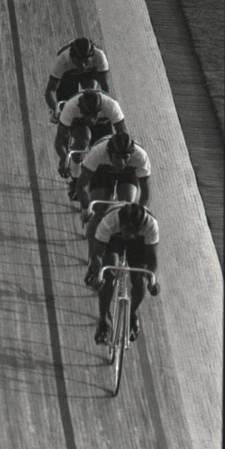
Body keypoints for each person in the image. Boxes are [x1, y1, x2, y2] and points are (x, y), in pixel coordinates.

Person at [88, 202, 161, 345]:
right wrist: (98, 277)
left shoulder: (151, 225)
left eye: (134, 230)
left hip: (138, 243)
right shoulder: (110, 221)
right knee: (109, 274)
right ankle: (103, 322)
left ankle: (131, 314)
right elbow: (96, 254)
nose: (130, 234)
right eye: (128, 229)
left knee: (140, 280)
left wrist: (152, 281)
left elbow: (152, 258)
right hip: (115, 239)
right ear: (121, 222)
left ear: (140, 227)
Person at [76, 133, 152, 264]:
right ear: (109, 153)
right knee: (98, 212)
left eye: (126, 158)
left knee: (128, 207)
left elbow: (146, 193)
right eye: (117, 157)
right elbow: (81, 186)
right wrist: (86, 208)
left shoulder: (140, 157)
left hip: (128, 174)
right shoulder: (97, 154)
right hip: (103, 172)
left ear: (131, 155)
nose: (121, 162)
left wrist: (139, 213)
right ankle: (91, 255)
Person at [55, 89, 127, 199]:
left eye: (94, 115)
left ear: (101, 108)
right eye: (88, 115)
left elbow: (123, 137)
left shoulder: (111, 106)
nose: (91, 119)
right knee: (83, 140)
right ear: (80, 109)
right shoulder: (70, 107)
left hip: (103, 122)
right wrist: (64, 158)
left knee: (108, 150)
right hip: (79, 122)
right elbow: (60, 138)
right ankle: (75, 179)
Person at [45, 37, 111, 122]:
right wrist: (55, 109)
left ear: (92, 57)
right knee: (68, 109)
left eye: (86, 61)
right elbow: (51, 90)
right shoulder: (62, 60)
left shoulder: (99, 56)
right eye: (79, 62)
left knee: (90, 99)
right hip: (68, 77)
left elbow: (105, 86)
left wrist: (105, 108)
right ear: (72, 58)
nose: (83, 66)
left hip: (89, 75)